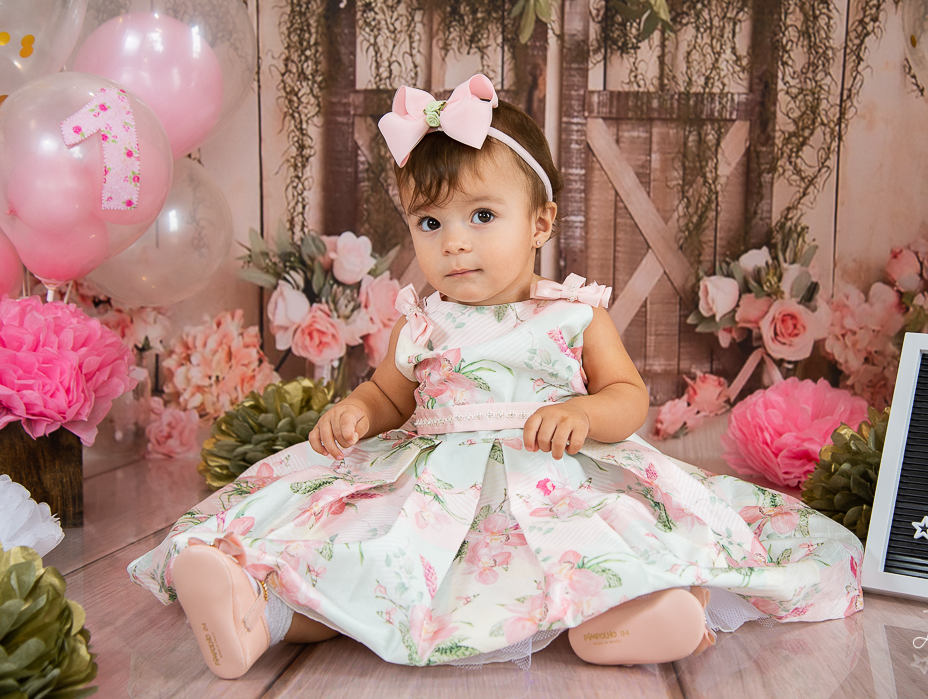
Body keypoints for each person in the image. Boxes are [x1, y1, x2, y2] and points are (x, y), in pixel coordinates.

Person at [128, 74, 864, 679]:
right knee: (364, 558)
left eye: (482, 216)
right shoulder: (421, 321)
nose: (454, 244)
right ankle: (260, 613)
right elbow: (390, 394)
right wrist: (358, 411)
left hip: (554, 477)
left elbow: (628, 399)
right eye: (431, 223)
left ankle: (633, 617)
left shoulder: (573, 313)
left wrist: (584, 414)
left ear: (540, 223)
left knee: (599, 547)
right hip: (433, 487)